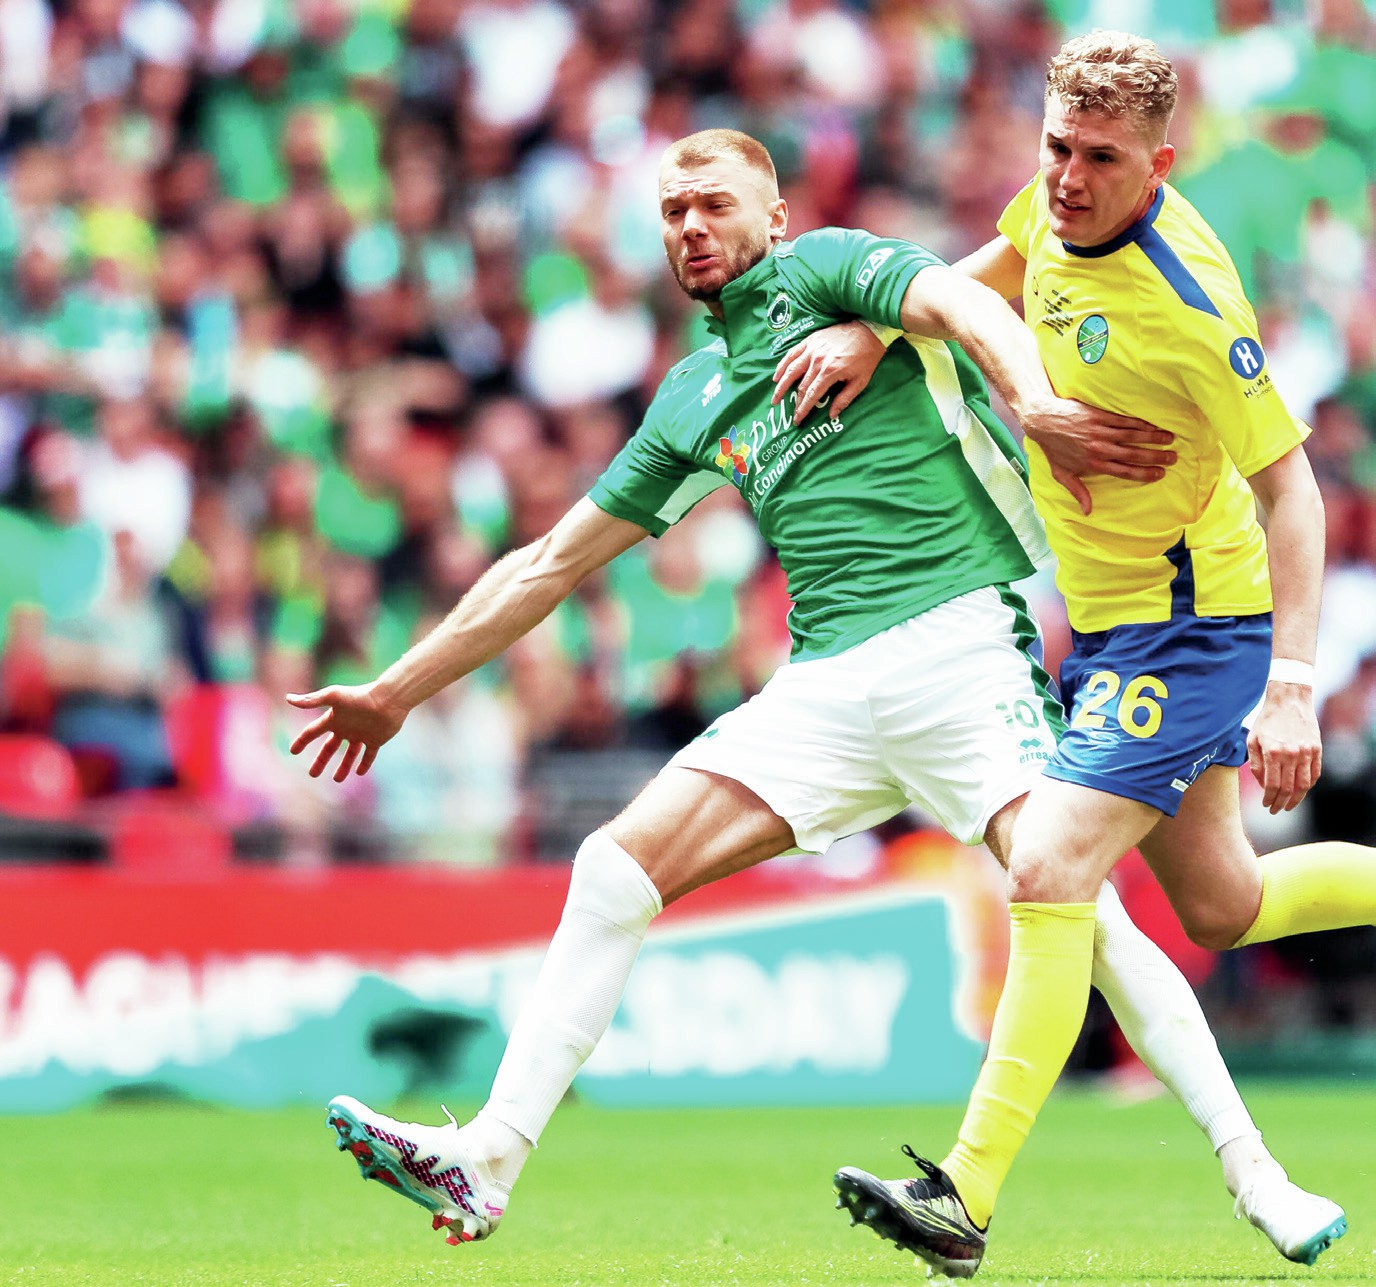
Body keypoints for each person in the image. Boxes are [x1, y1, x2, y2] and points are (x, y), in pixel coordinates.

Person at [289, 128, 1325, 1261]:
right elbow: (547, 565)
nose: (693, 226)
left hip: (957, 644)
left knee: (1081, 909)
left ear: (774, 216)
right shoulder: (692, 397)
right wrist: (396, 690)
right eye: (673, 211)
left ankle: (1256, 1175)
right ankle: (488, 1158)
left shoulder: (827, 268)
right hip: (822, 685)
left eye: (715, 203)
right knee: (613, 868)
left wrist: (1028, 397)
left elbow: (965, 303)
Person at [777, 32, 1373, 1279]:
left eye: (1100, 159)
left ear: (1159, 165)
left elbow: (1293, 494)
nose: (1066, 178)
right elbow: (990, 271)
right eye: (1056, 147)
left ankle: (964, 1192)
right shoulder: (1054, 207)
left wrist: (1288, 686)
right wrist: (881, 333)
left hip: (1194, 627)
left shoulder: (1189, 307)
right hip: (1109, 626)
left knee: (1047, 865)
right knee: (1222, 905)